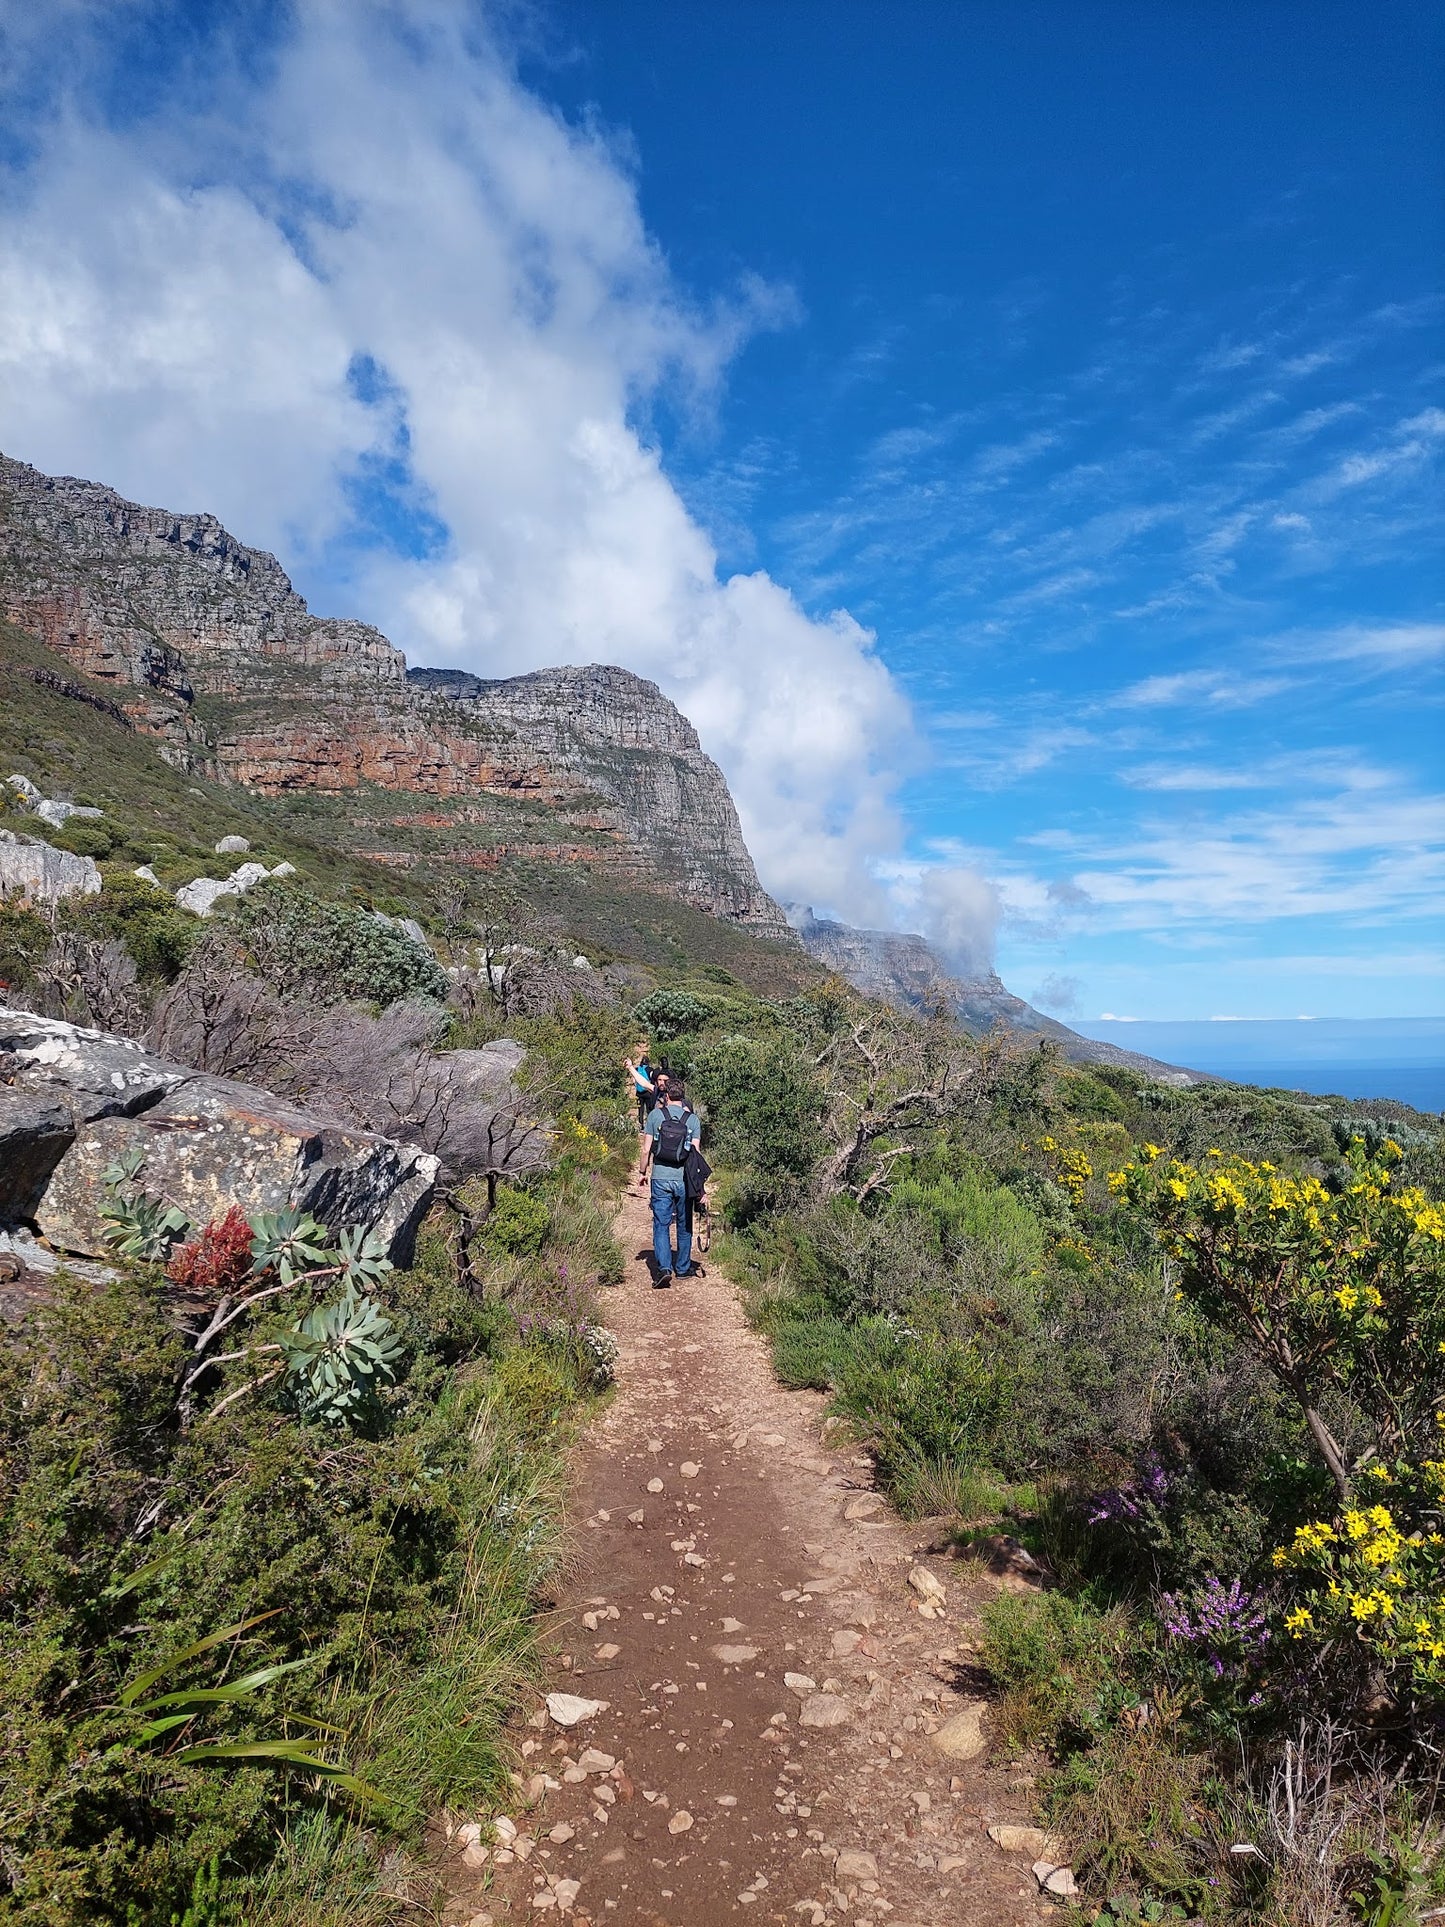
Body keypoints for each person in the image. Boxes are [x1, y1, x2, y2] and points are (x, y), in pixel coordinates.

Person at [637, 1077, 702, 1287]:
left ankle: (664, 1268)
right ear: (683, 1096)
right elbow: (696, 1156)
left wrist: (642, 1172)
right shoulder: (692, 1120)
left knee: (661, 1223)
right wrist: (700, 1187)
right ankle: (682, 1268)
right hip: (684, 1180)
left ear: (666, 1095)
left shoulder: (655, 1116)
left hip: (661, 1178)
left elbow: (646, 1149)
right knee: (685, 1224)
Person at [623, 1043, 656, 1130]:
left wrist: (636, 1086)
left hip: (639, 1093)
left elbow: (634, 1080)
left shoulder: (637, 1069)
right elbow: (651, 1080)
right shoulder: (650, 1069)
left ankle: (641, 1126)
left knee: (640, 1110)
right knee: (649, 1110)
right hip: (647, 1092)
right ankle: (650, 1126)